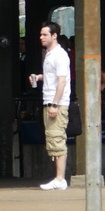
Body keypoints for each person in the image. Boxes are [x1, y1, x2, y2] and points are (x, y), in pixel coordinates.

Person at [30, 21, 71, 190]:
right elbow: (54, 77)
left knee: (57, 139)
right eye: (41, 35)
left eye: (45, 34)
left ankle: (60, 179)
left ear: (54, 35)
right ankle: (58, 178)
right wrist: (39, 77)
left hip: (57, 104)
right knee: (53, 139)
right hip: (49, 102)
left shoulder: (60, 55)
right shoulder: (49, 54)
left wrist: (55, 104)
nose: (41, 38)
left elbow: (62, 81)